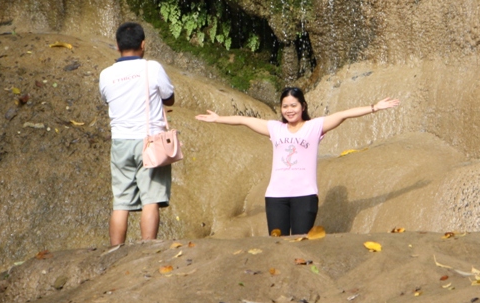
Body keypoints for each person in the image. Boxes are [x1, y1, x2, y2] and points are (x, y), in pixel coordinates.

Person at [195, 87, 399, 236]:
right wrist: (218, 119)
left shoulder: (314, 127)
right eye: (285, 106)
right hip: (276, 197)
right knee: (278, 243)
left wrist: (375, 107)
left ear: (302, 106)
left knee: (301, 243)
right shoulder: (275, 128)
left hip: (305, 195)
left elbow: (343, 115)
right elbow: (244, 120)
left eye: (293, 105)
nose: (289, 109)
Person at [99, 22, 176, 246]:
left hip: (121, 142)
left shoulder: (106, 75)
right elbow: (169, 97)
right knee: (150, 199)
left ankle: (114, 252)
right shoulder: (151, 68)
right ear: (143, 45)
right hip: (149, 141)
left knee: (121, 202)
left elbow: (106, 100)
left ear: (117, 46)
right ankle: (147, 250)